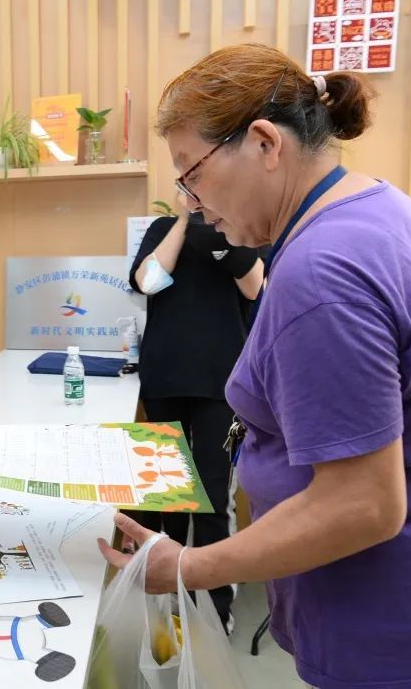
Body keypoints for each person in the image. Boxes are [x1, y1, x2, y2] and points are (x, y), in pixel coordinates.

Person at [98, 43, 411, 688]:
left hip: (385, 627)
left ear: (264, 143)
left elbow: (362, 504)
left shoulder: (321, 272)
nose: (192, 202)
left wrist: (185, 567)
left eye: (192, 173)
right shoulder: (384, 210)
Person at [127, 201, 263, 631]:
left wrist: (220, 234)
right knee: (166, 496)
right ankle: (169, 594)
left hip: (225, 388)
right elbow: (148, 281)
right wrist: (184, 221)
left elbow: (255, 288)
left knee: (213, 497)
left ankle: (215, 611)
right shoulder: (163, 228)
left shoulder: (243, 226)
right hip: (164, 380)